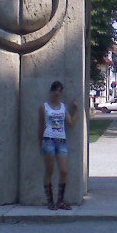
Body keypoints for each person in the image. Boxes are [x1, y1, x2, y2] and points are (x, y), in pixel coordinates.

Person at [38, 81, 79, 210]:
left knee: (64, 171)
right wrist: (40, 143)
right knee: (49, 171)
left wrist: (77, 110)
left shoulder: (63, 107)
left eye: (60, 90)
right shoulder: (44, 107)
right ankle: (50, 201)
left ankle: (60, 201)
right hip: (48, 140)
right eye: (55, 90)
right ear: (51, 92)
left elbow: (70, 122)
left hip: (61, 141)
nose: (57, 93)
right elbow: (41, 126)